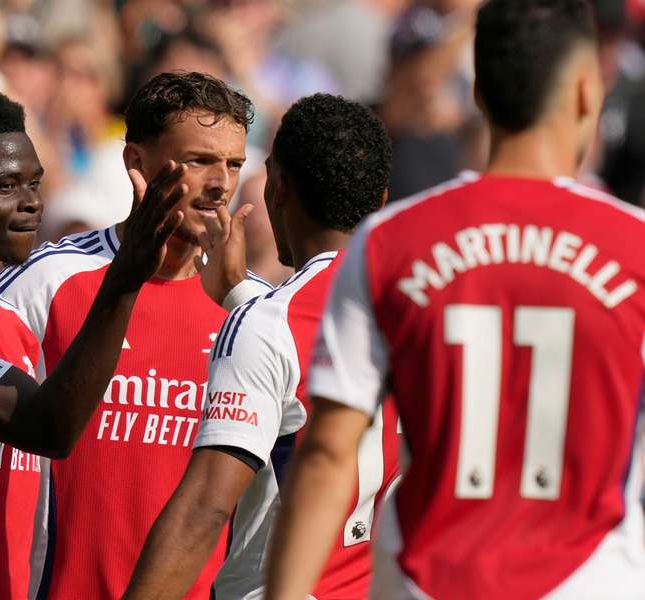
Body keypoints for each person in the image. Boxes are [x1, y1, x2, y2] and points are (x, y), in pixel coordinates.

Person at [0, 72, 270, 600]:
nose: (219, 182)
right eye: (198, 161)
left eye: (234, 164)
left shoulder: (253, 312)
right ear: (136, 163)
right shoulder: (43, 280)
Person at [266, 1, 645, 598]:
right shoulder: (635, 248)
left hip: (427, 580)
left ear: (480, 95)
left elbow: (328, 453)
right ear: (585, 92)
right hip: (591, 581)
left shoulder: (392, 241)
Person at [123, 94, 399, 600]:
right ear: (381, 200)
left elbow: (206, 506)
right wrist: (236, 290)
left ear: (279, 189)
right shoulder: (417, 312)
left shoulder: (272, 321)